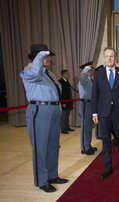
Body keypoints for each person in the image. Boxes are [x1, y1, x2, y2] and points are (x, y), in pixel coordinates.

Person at [20, 44, 68, 193]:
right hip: (39, 110)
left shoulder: (49, 73)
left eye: (47, 56)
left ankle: (52, 175)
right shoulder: (29, 71)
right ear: (37, 57)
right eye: (45, 56)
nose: (48, 59)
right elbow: (34, 74)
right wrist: (40, 56)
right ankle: (42, 181)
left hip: (53, 110)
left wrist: (58, 108)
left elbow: (56, 91)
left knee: (53, 146)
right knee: (40, 148)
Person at [91, 47, 119, 180]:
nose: (109, 58)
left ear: (115, 58)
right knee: (106, 140)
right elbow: (94, 95)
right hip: (103, 112)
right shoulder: (98, 74)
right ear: (104, 58)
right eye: (107, 56)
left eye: (112, 56)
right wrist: (94, 112)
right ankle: (108, 167)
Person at [78, 63, 97, 155]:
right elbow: (82, 78)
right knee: (85, 126)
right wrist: (85, 69)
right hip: (85, 103)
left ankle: (88, 145)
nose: (93, 70)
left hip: (90, 104)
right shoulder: (84, 79)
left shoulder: (90, 79)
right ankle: (84, 148)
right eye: (92, 69)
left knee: (89, 126)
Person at [58, 69, 74, 134]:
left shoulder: (67, 81)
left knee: (67, 115)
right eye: (67, 73)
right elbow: (60, 93)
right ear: (64, 74)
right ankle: (63, 129)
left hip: (68, 101)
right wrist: (63, 102)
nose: (68, 74)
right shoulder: (60, 82)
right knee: (63, 116)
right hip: (64, 102)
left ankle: (67, 127)